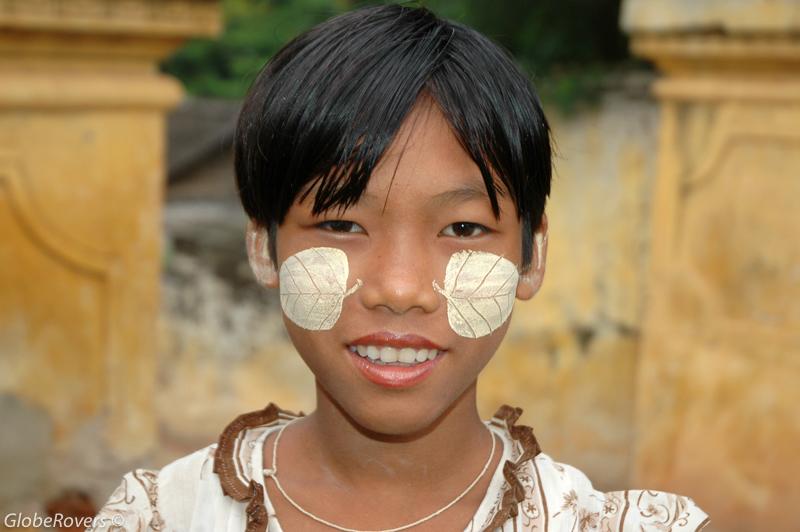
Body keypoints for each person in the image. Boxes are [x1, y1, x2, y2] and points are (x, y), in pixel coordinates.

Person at [90, 4, 708, 531]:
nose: (400, 289)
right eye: (341, 224)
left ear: (531, 255)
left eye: (463, 229)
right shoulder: (159, 515)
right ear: (263, 246)